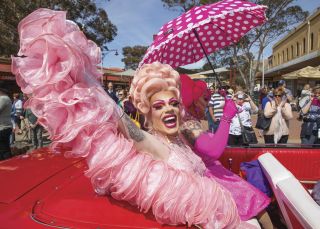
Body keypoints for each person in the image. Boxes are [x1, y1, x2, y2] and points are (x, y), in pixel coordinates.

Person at [12, 9, 271, 228]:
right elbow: (117, 115)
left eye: (173, 103)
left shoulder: (181, 135)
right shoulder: (153, 144)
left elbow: (208, 149)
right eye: (158, 106)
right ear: (146, 111)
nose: (168, 110)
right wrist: (80, 75)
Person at [0, 86, 13, 160]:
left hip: (2, 128)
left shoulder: (3, 99)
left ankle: (8, 165)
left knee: (3, 150)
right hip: (5, 127)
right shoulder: (6, 98)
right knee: (4, 149)